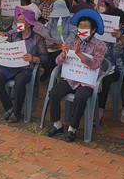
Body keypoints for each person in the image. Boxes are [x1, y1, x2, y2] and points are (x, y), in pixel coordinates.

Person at [45, 9, 107, 142]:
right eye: (80, 26)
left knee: (80, 97)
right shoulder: (72, 42)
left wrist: (79, 54)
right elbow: (57, 62)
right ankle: (57, 125)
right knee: (54, 93)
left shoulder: (100, 46)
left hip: (88, 81)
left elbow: (95, 64)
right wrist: (63, 55)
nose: (82, 29)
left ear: (94, 30)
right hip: (72, 78)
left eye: (85, 26)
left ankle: (72, 128)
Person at [0, 7, 48, 123]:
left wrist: (33, 58)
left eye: (22, 20)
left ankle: (17, 112)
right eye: (18, 20)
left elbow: (45, 57)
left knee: (20, 81)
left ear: (29, 23)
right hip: (10, 66)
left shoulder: (38, 38)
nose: (19, 23)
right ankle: (9, 107)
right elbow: (3, 47)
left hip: (26, 69)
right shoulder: (13, 35)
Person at [96, 8, 124, 121]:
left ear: (121, 23)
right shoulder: (101, 32)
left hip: (118, 69)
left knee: (104, 80)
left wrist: (121, 38)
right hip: (100, 65)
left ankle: (100, 109)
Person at [41, 0, 77, 82]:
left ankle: (49, 74)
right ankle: (49, 73)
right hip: (52, 45)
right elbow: (47, 33)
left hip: (65, 46)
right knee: (42, 55)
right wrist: (50, 43)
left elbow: (72, 34)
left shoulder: (71, 20)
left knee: (54, 57)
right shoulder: (52, 21)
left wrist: (63, 44)